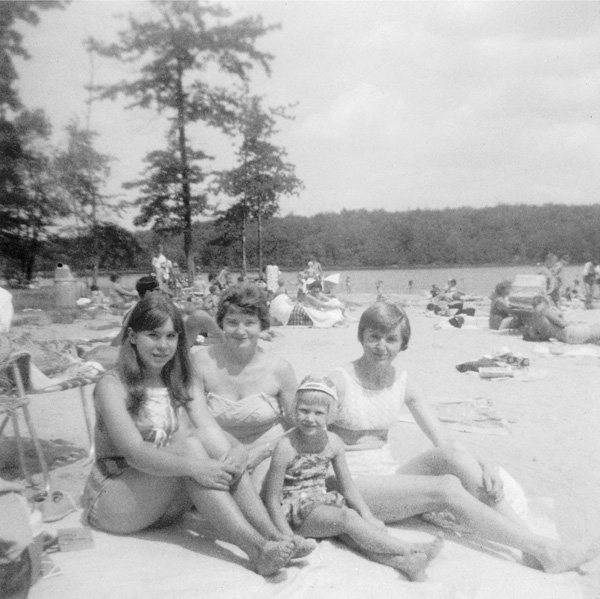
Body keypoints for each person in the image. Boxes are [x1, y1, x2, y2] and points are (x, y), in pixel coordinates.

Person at [326, 302, 600, 574]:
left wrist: (482, 464)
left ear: (402, 344)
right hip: (349, 484)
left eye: (391, 339)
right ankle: (546, 551)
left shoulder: (402, 382)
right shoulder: (339, 381)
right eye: (373, 336)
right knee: (446, 488)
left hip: (388, 475)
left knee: (453, 458)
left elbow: (444, 442)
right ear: (361, 336)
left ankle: (531, 546)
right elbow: (309, 441)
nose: (381, 346)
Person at [80, 294, 304, 576]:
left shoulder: (178, 379)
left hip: (164, 504)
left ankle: (273, 535)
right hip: (116, 500)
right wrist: (199, 467)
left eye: (171, 336)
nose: (163, 346)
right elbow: (135, 453)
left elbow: (208, 426)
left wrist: (236, 449)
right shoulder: (113, 386)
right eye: (153, 335)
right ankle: (257, 549)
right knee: (190, 448)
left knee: (206, 440)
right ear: (133, 336)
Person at [263, 376, 443, 581]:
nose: (310, 418)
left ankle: (407, 564)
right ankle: (411, 549)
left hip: (320, 502)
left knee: (355, 534)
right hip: (294, 512)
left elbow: (348, 487)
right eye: (304, 410)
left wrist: (368, 515)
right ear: (295, 409)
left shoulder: (334, 443)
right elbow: (272, 498)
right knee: (347, 519)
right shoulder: (286, 446)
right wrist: (288, 536)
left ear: (331, 415)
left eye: (319, 413)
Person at [193, 284, 297, 488]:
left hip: (268, 453)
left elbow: (297, 425)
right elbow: (194, 420)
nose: (241, 331)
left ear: (261, 326)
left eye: (249, 323)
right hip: (218, 453)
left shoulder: (279, 369)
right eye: (232, 322)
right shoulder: (202, 361)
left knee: (258, 492)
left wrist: (262, 452)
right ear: (221, 324)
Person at [524, 295, 600, 344]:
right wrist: (561, 316)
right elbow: (562, 324)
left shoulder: (534, 319)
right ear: (543, 302)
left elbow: (540, 336)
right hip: (572, 333)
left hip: (566, 339)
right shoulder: (545, 311)